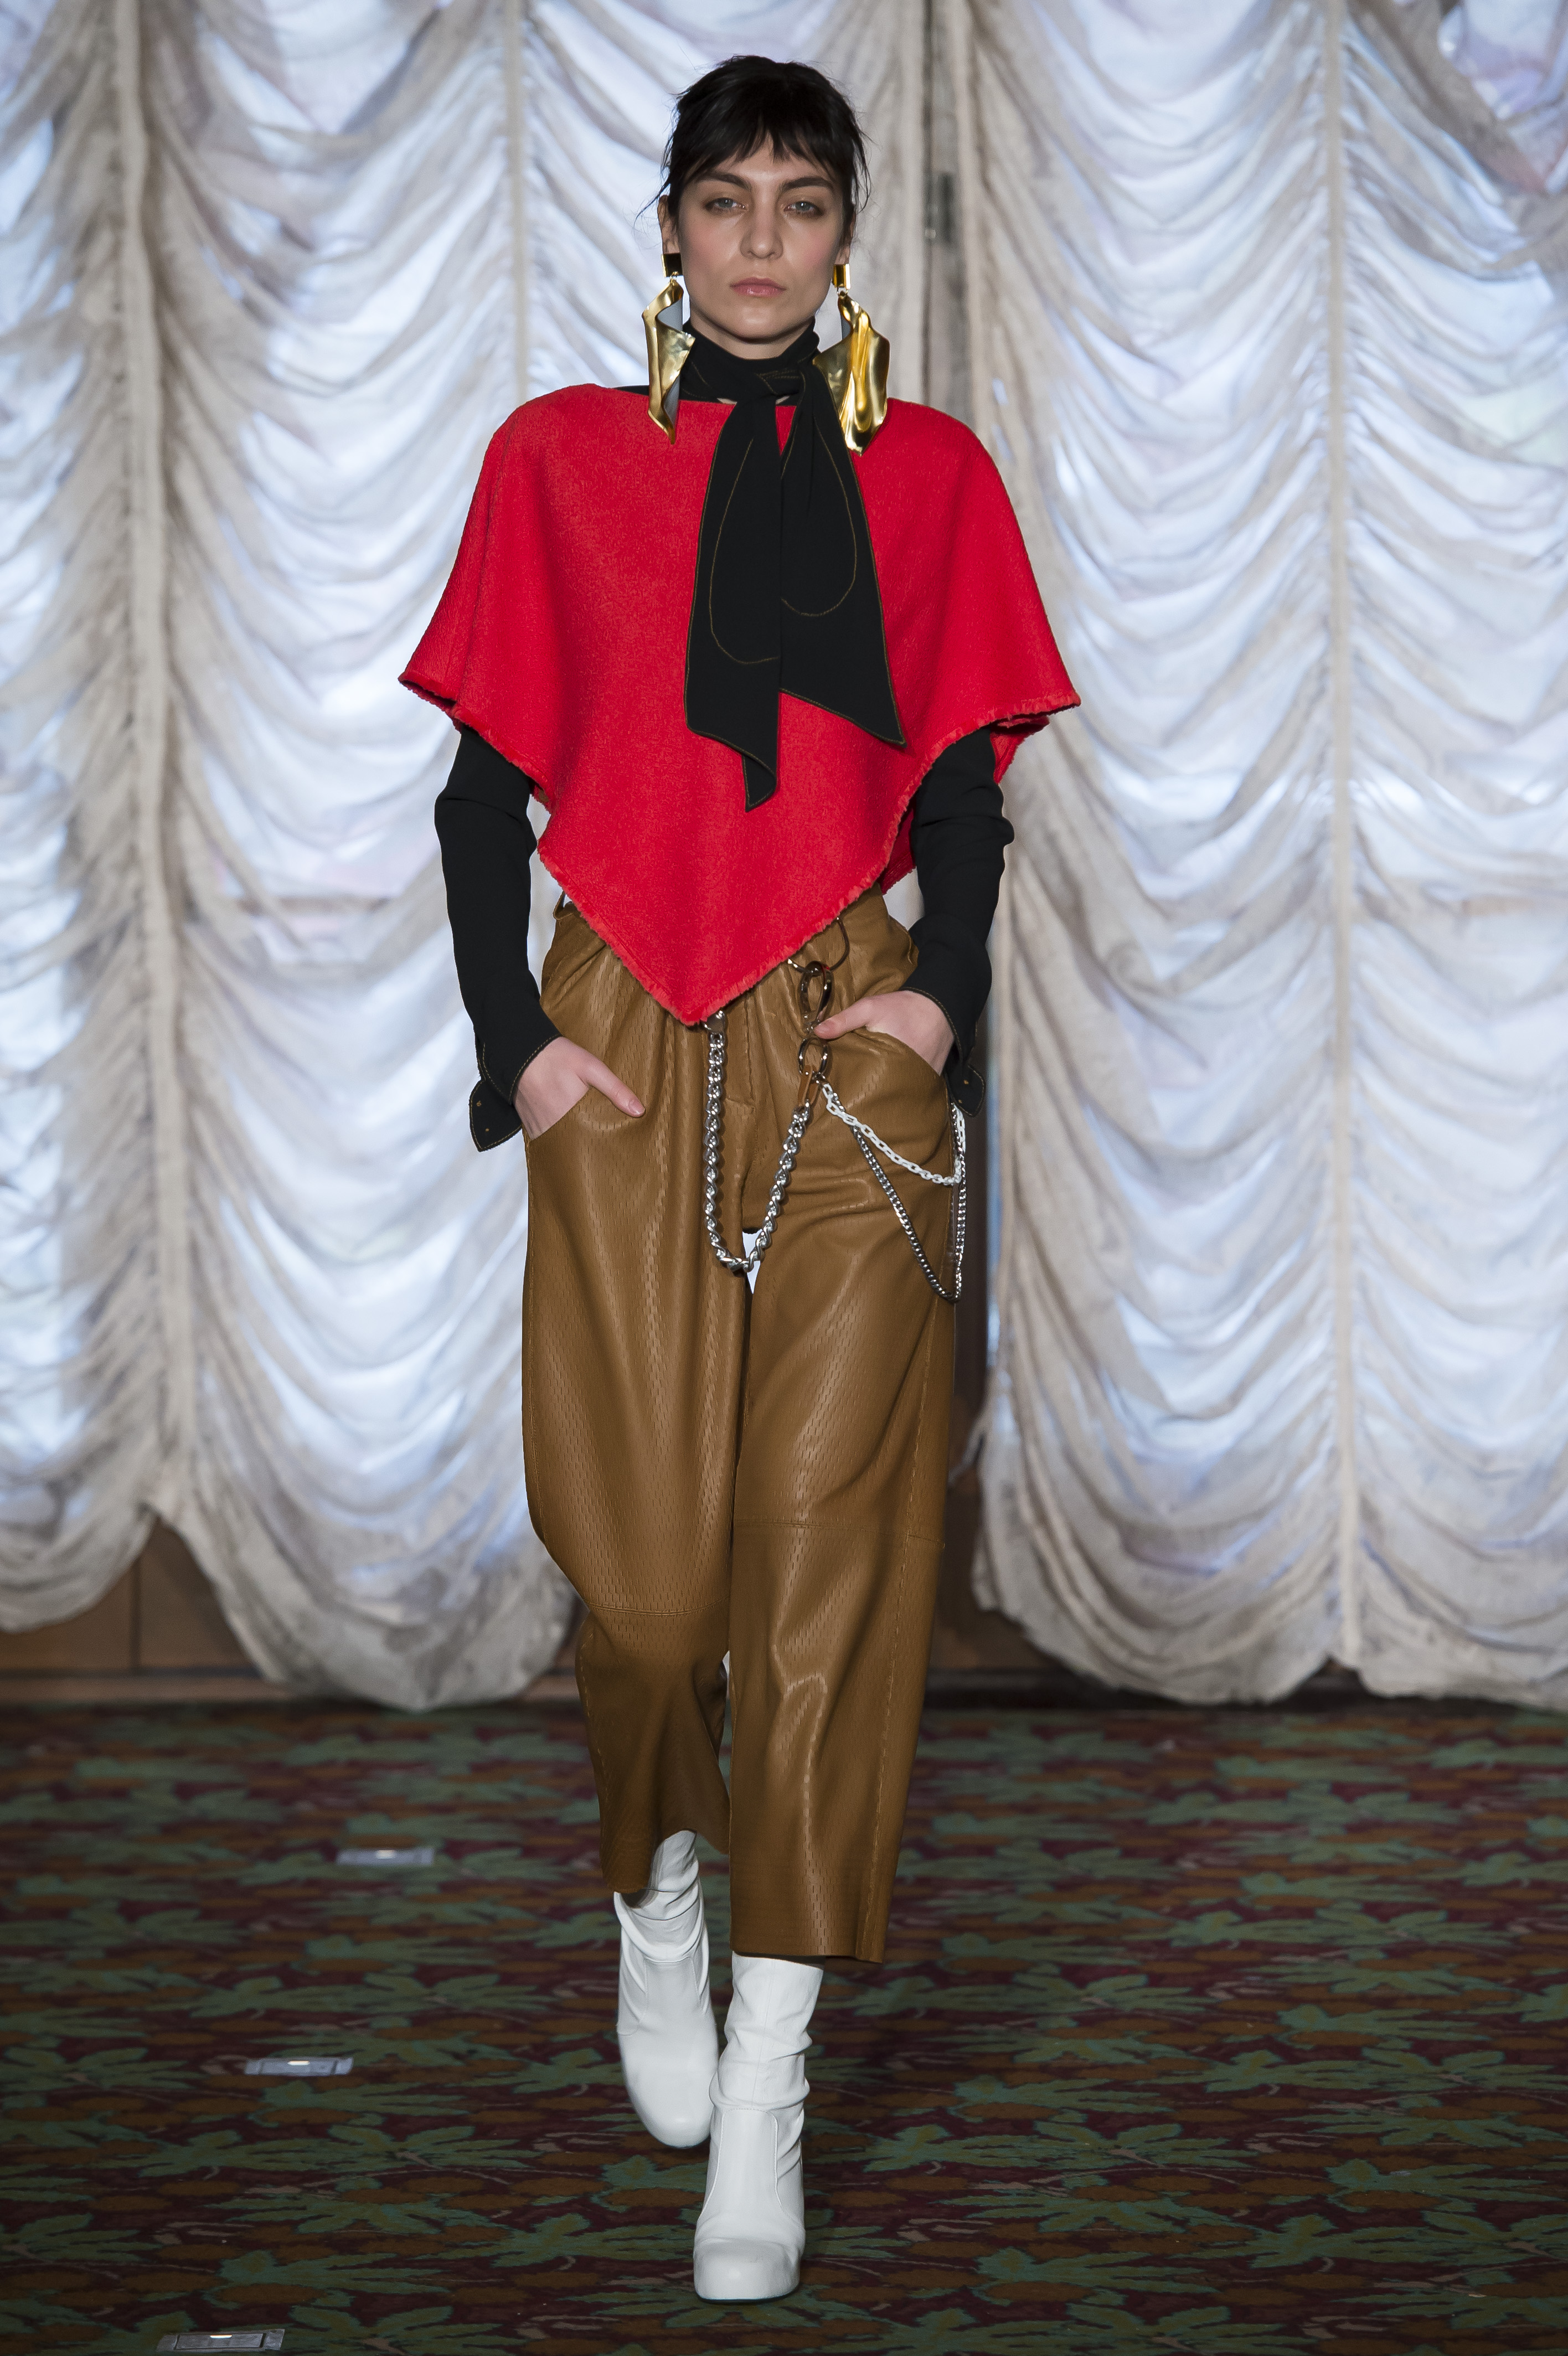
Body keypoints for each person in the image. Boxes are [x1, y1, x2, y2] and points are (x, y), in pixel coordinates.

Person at [402, 54, 1075, 2303]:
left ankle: (770, 2073)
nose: (764, 238)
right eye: (726, 199)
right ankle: (654, 1883)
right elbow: (477, 801)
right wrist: (520, 1051)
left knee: (821, 1575)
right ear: (673, 227)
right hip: (621, 1031)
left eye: (803, 199)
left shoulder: (931, 476)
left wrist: (938, 1005)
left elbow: (965, 793)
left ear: (848, 230)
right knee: (649, 1587)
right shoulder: (559, 461)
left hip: (851, 1040)